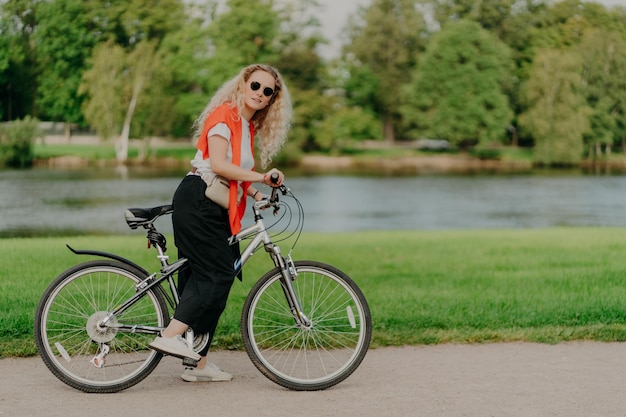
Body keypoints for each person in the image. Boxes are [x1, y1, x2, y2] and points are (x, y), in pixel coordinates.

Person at [149, 64, 293, 382]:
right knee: (217, 275)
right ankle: (170, 336)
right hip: (199, 200)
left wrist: (256, 193)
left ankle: (196, 364)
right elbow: (217, 165)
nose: (260, 93)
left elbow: (233, 174)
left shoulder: (246, 126)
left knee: (208, 280)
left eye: (268, 91)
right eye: (255, 85)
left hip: (215, 207)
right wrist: (261, 176)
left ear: (271, 100)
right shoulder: (223, 116)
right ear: (243, 84)